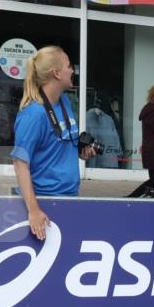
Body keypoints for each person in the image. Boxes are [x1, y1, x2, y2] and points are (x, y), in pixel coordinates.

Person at [11, 45, 96, 240]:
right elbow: (20, 164)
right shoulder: (33, 114)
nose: (73, 70)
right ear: (56, 73)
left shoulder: (64, 101)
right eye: (69, 66)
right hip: (45, 203)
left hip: (69, 198)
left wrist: (82, 152)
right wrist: (33, 210)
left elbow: (59, 145)